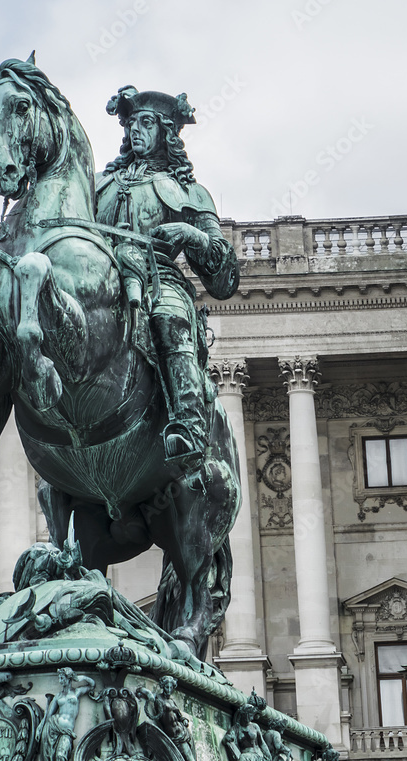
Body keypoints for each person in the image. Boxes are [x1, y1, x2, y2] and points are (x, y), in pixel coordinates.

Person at [96, 86, 239, 474]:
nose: (135, 131)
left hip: (159, 279)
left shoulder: (187, 191)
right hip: (98, 280)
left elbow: (224, 277)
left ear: (166, 132)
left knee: (171, 319)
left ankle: (189, 426)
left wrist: (190, 235)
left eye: (145, 123)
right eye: (131, 124)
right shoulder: (98, 186)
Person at [36, 667, 96, 761]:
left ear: (69, 679)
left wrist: (81, 678)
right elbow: (48, 715)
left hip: (67, 731)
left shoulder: (77, 692)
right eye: (59, 678)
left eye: (62, 678)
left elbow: (92, 685)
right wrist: (40, 727)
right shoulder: (58, 696)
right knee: (50, 757)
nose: (60, 680)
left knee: (61, 756)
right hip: (53, 727)